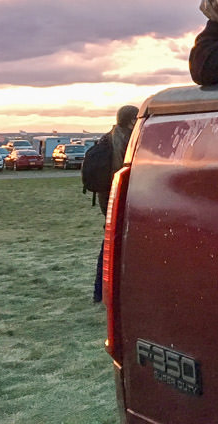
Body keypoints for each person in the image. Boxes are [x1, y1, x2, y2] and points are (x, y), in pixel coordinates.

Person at [93, 103, 138, 303]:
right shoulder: (126, 141)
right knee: (114, 244)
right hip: (118, 196)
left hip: (106, 197)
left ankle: (100, 291)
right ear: (130, 122)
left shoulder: (108, 137)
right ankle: (107, 291)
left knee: (109, 242)